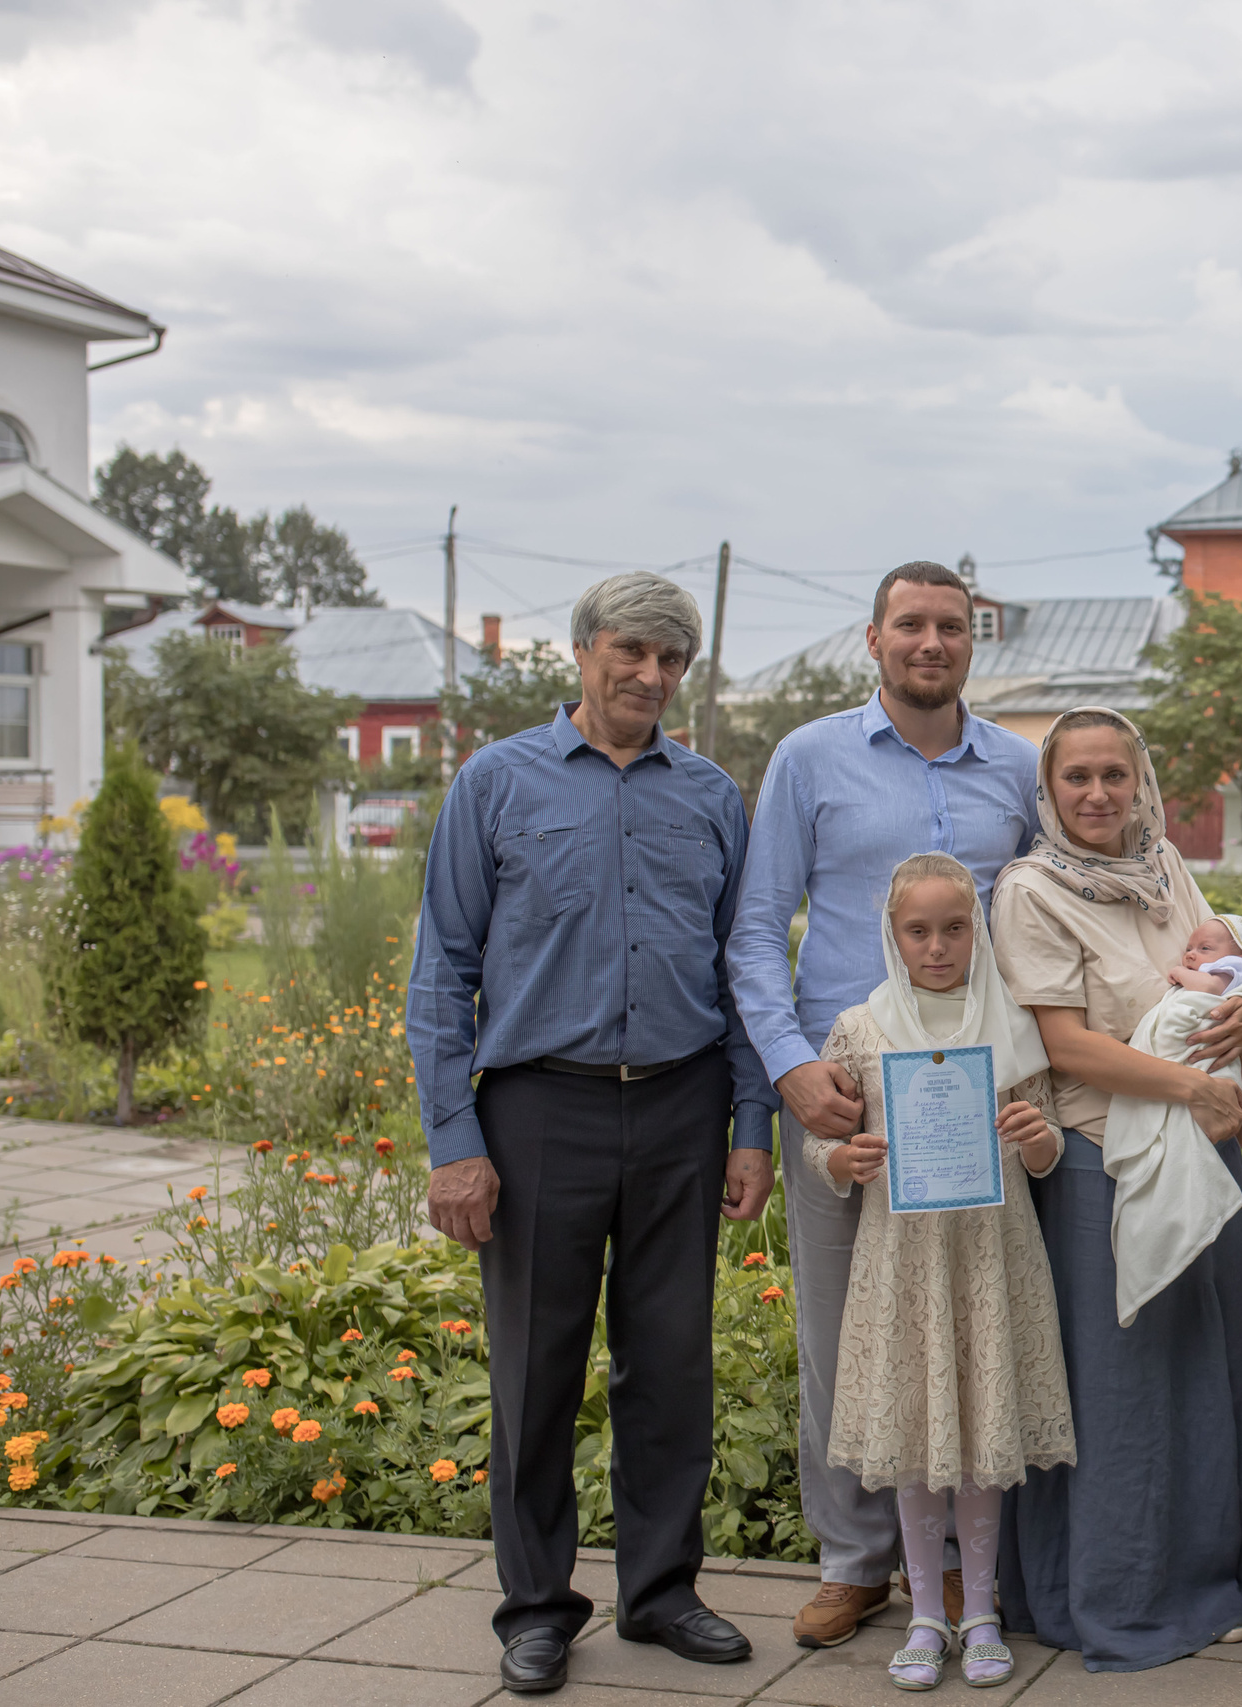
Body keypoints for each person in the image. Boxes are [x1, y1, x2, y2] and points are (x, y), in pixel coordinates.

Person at [409, 572, 778, 1696]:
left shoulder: (713, 796)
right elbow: (443, 973)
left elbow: (743, 971)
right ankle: (535, 1606)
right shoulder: (496, 785)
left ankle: (662, 1591)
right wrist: (452, 1140)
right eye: (631, 653)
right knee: (535, 1369)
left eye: (671, 661)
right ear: (581, 654)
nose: (651, 677)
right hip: (538, 1112)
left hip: (680, 1105)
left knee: (669, 1366)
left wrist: (750, 1124)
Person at [727, 560, 1045, 1647]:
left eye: (950, 626)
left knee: (968, 1320)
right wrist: (787, 1067)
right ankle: (856, 1559)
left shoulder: (1018, 766)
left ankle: (956, 1570)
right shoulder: (809, 758)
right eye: (909, 624)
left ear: (972, 641)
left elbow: (1051, 915)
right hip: (847, 1091)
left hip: (976, 1089)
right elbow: (758, 927)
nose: (931, 643)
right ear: (872, 639)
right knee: (845, 1335)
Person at [990, 706, 1242, 1672]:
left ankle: (1218, 1578)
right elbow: (1067, 1044)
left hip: (1198, 1144)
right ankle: (1123, 1597)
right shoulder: (1030, 891)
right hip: (1101, 1163)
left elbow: (1216, 970)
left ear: (1141, 780)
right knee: (1121, 1396)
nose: (1100, 794)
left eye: (1117, 774)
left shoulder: (1165, 868)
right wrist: (1191, 1082)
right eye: (1079, 777)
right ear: (1050, 786)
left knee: (1205, 1373)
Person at [801, 853, 1075, 1691]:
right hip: (903, 1263)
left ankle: (982, 1609)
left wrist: (1034, 1136)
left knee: (982, 1431)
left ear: (976, 930)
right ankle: (924, 1611)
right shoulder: (862, 1026)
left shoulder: (1011, 1024)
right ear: (893, 934)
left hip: (992, 1257)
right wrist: (843, 1157)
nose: (937, 945)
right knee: (919, 1435)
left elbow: (1051, 1141)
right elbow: (820, 1145)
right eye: (918, 930)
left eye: (954, 927)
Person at [1103, 912, 1242, 1327]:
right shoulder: (1221, 963)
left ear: (1241, 956)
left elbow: (1208, 992)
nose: (1192, 954)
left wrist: (1179, 976)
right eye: (1191, 947)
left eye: (1206, 948)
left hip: (1205, 1047)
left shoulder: (1233, 972)